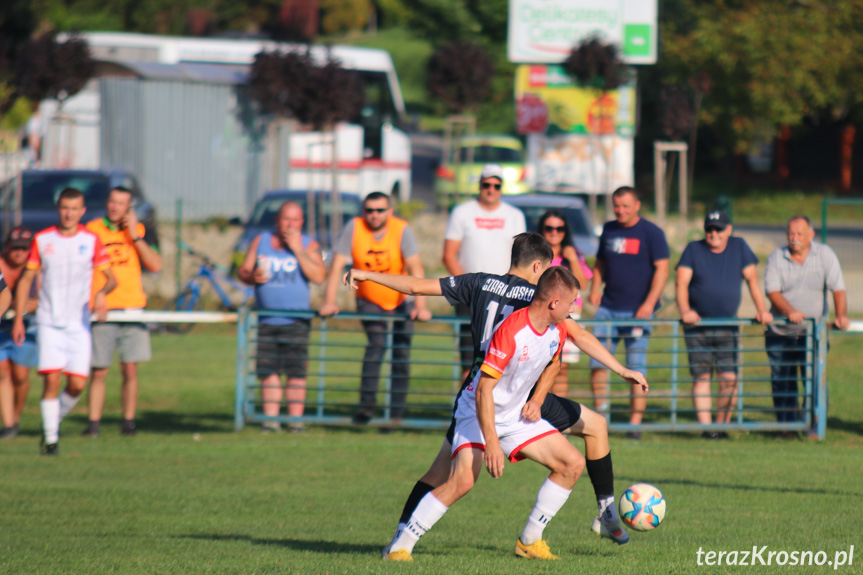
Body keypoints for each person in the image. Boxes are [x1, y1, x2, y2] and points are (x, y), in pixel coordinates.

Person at [343, 233, 648, 556]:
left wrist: (367, 274)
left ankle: (544, 534)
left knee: (442, 472)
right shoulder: (540, 298)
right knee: (459, 478)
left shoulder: (479, 282)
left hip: (511, 392)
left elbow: (417, 286)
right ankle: (401, 545)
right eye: (545, 268)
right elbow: (579, 334)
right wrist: (621, 369)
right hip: (487, 392)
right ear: (537, 266)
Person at [12, 188, 117, 455]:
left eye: (74, 209)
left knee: (78, 384)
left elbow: (111, 278)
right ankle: (51, 441)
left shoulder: (91, 240)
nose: (69, 213)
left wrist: (102, 294)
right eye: (64, 208)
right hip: (48, 321)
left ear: (82, 211)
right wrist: (19, 319)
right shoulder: (43, 239)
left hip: (78, 324)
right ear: (58, 209)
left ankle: (53, 420)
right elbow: (26, 279)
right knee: (52, 381)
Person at [320, 191, 431, 426]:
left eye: (380, 210)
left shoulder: (402, 229)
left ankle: (395, 415)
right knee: (377, 346)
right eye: (369, 210)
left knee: (401, 354)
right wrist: (330, 302)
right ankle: (366, 409)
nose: (374, 215)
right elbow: (337, 265)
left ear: (389, 211)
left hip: (402, 300)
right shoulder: (354, 227)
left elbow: (415, 267)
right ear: (363, 212)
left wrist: (420, 306)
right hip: (369, 299)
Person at [676, 210, 772, 438]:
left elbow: (752, 280)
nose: (714, 233)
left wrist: (761, 309)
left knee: (729, 379)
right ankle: (706, 429)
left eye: (718, 229)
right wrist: (685, 310)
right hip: (697, 327)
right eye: (710, 228)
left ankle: (721, 427)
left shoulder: (739, 247)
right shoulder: (693, 249)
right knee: (701, 377)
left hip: (728, 326)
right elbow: (681, 282)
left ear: (729, 230)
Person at [237, 201, 326, 433]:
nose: (290, 224)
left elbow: (318, 276)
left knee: (296, 372)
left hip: (297, 320)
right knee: (268, 372)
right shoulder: (261, 241)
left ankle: (295, 422)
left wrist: (297, 249)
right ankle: (270, 421)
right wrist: (251, 276)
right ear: (277, 221)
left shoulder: (310, 244)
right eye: (286, 219)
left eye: (295, 220)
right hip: (266, 319)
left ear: (302, 222)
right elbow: (243, 271)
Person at [589, 186, 669, 436]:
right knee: (597, 364)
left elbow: (663, 269)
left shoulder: (652, 233)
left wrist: (648, 304)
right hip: (608, 309)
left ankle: (634, 425)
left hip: (638, 312)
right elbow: (600, 262)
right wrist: (594, 287)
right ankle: (601, 420)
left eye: (625, 205)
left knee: (636, 367)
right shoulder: (609, 230)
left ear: (637, 205)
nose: (620, 210)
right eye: (616, 205)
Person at [83, 187, 163, 437]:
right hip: (103, 308)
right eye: (112, 202)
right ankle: (93, 423)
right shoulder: (92, 230)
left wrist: (134, 236)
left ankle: (128, 421)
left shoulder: (138, 231)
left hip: (132, 307)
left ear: (129, 208)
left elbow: (155, 265)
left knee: (130, 368)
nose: (115, 207)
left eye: (121, 203)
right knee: (100, 369)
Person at [764, 215, 849, 427]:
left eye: (799, 234)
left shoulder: (825, 254)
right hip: (781, 332)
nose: (794, 238)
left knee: (814, 379)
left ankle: (814, 426)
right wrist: (790, 311)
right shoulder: (777, 257)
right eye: (791, 234)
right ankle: (786, 426)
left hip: (813, 333)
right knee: (783, 380)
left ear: (811, 235)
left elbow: (838, 288)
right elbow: (772, 291)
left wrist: (841, 315)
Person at [443, 164, 527, 374]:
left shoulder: (514, 215)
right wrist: (467, 287)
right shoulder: (462, 212)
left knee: (504, 353)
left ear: (502, 187)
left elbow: (523, 256)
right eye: (486, 184)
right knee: (470, 356)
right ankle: (467, 405)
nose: (491, 189)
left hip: (505, 294)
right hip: (472, 294)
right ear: (480, 185)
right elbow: (449, 254)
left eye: (496, 185)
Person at [539, 209, 592, 367]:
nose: (554, 233)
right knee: (540, 367)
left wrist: (573, 260)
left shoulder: (573, 254)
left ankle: (558, 394)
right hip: (541, 315)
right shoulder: (536, 255)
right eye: (549, 228)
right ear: (542, 230)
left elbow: (583, 284)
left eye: (559, 229)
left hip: (568, 316)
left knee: (562, 367)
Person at [0, 228, 38, 438]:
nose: (19, 253)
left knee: (20, 375)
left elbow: (46, 294)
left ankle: (15, 416)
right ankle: (8, 424)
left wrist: (34, 303)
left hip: (27, 326)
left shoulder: (35, 267)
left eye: (24, 249)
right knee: (2, 371)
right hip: (2, 327)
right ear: (7, 248)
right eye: (15, 248)